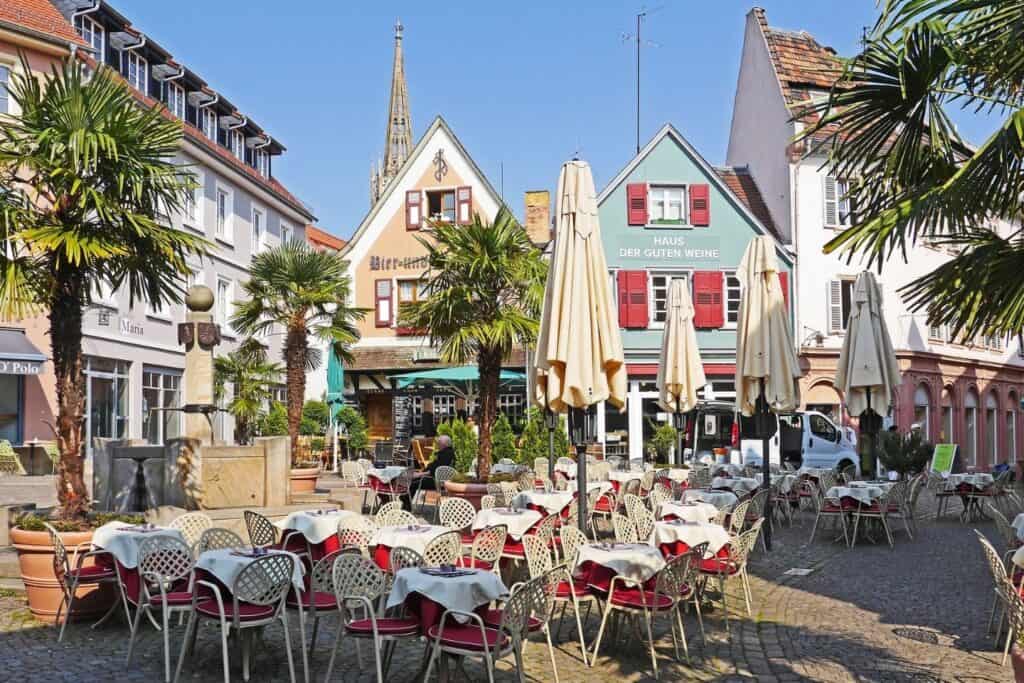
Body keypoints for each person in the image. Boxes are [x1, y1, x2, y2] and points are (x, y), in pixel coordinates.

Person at [404, 435, 455, 510]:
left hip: (436, 482)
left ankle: (406, 506)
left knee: (411, 483)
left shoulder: (446, 454)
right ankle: (406, 504)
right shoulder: (447, 452)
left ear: (445, 444)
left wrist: (420, 474)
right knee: (411, 481)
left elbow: (436, 470)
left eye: (439, 442)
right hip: (435, 479)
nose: (437, 444)